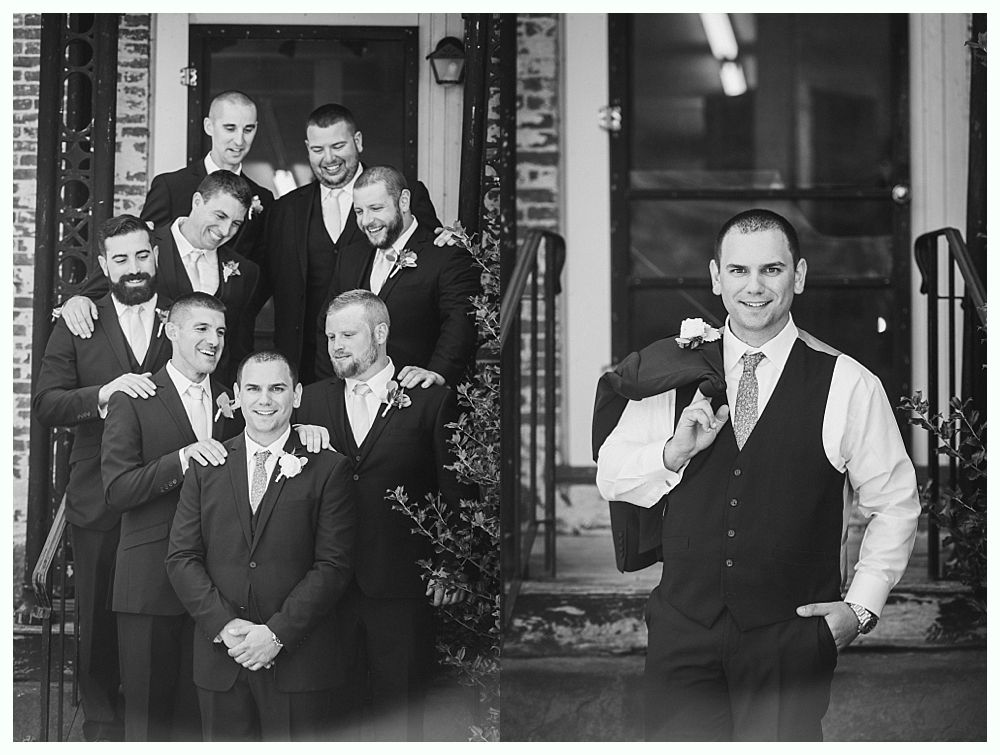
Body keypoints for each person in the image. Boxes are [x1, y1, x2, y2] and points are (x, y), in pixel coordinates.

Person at [594, 208, 920, 741]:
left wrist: (861, 608)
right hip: (684, 631)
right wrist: (672, 452)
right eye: (739, 271)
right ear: (716, 277)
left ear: (800, 276)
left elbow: (895, 502)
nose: (755, 287)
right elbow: (611, 476)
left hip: (789, 636)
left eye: (771, 270)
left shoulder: (847, 382)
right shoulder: (670, 370)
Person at [296, 290, 475, 740]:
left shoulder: (431, 398)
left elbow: (454, 487)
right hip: (325, 586)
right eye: (331, 335)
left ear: (379, 333)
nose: (336, 344)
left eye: (348, 334)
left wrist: (453, 564)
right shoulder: (311, 402)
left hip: (401, 583)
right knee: (333, 713)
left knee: (402, 712)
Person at [166, 350, 357, 741]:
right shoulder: (207, 466)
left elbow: (333, 566)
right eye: (253, 388)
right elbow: (182, 558)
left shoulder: (328, 467)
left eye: (277, 388)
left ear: (297, 395)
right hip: (222, 659)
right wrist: (225, 625)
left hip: (298, 663)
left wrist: (275, 634)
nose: (264, 399)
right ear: (237, 394)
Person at [32, 214, 173, 741]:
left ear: (155, 256)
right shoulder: (77, 322)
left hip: (171, 490)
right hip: (97, 489)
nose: (133, 268)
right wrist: (105, 394)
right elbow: (47, 403)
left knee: (164, 610)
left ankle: (159, 722)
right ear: (103, 266)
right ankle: (101, 725)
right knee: (95, 618)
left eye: (141, 256)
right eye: (121, 259)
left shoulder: (182, 317)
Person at [100, 292, 239, 740]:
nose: (213, 340)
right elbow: (117, 490)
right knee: (146, 723)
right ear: (172, 331)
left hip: (213, 589)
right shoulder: (135, 398)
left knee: (198, 723)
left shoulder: (231, 401)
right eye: (201, 328)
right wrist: (182, 459)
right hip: (148, 583)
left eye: (219, 331)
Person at [253, 103, 445, 384]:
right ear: (307, 148)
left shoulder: (406, 194)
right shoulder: (284, 210)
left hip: (386, 367)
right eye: (317, 149)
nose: (328, 158)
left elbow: (435, 263)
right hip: (304, 369)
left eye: (338, 145)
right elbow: (258, 285)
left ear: (358, 142)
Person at [55, 171, 261, 386]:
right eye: (220, 216)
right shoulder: (142, 247)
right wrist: (78, 301)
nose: (226, 230)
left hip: (209, 396)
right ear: (197, 201)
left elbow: (239, 347)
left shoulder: (245, 272)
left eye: (236, 224)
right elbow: (93, 294)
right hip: (147, 388)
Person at [313, 165, 480, 389]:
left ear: (403, 201)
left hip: (417, 398)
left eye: (376, 208)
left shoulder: (447, 254)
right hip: (353, 401)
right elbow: (327, 325)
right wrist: (331, 390)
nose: (366, 221)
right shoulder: (349, 257)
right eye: (359, 212)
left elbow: (460, 323)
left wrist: (436, 374)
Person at [141, 90, 273, 261]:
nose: (239, 141)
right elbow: (142, 249)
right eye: (230, 128)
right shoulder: (170, 187)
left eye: (248, 129)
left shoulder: (264, 198)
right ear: (208, 126)